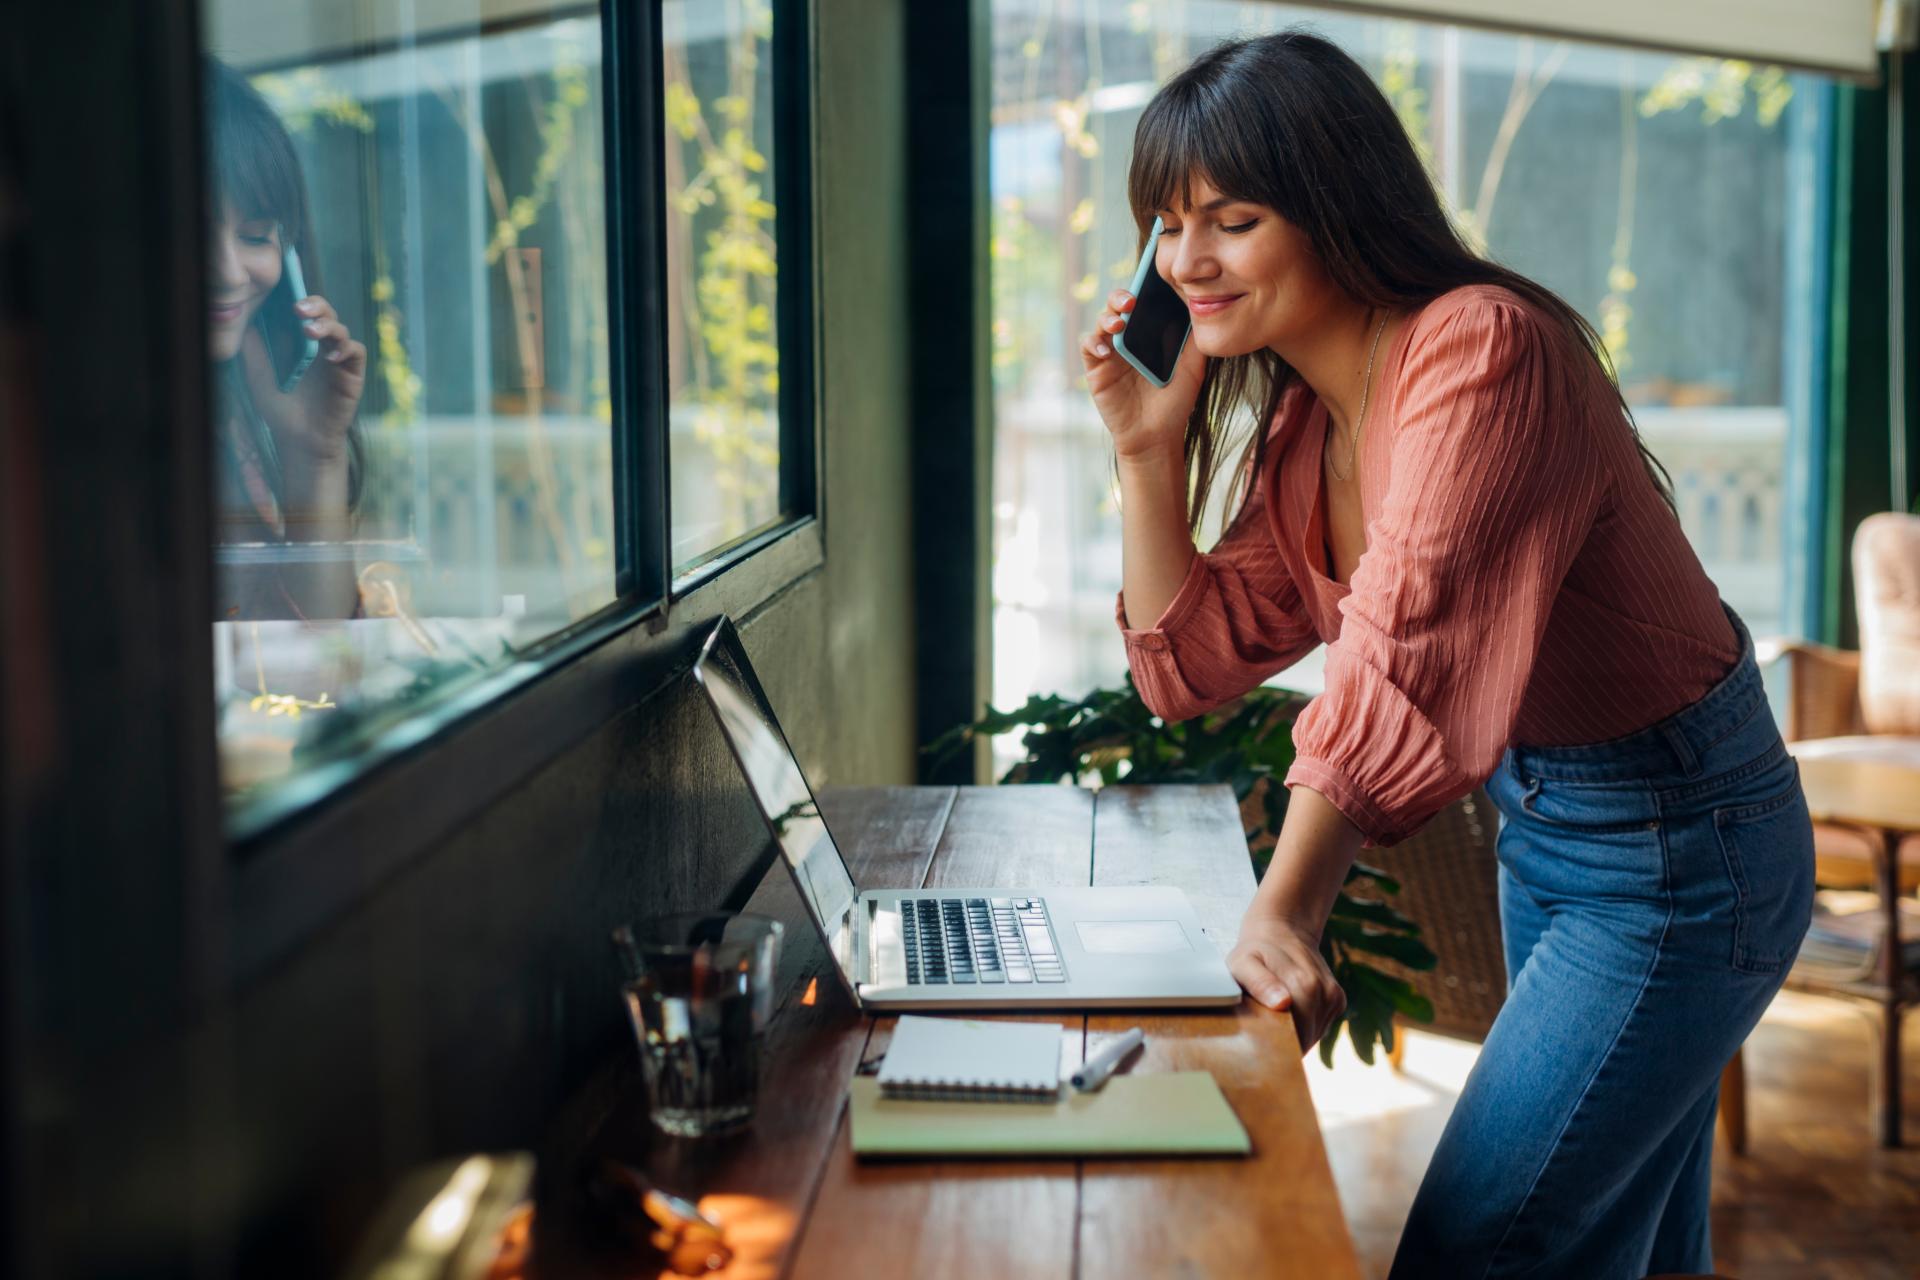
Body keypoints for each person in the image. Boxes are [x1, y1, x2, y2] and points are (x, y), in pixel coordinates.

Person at [1081, 30, 1814, 1279]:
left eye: (1232, 220)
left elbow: (1400, 653)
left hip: (1685, 848)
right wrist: (1149, 453)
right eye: (1164, 225)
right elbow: (1185, 666)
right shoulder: (1309, 424)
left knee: (1484, 1245)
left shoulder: (1485, 350)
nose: (1185, 262)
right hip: (1554, 835)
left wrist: (1289, 907)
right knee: (1627, 1250)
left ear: (1336, 206)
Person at [206, 59, 367, 620]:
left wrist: (315, 454)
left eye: (255, 236)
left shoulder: (246, 418)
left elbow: (321, 649)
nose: (227, 271)